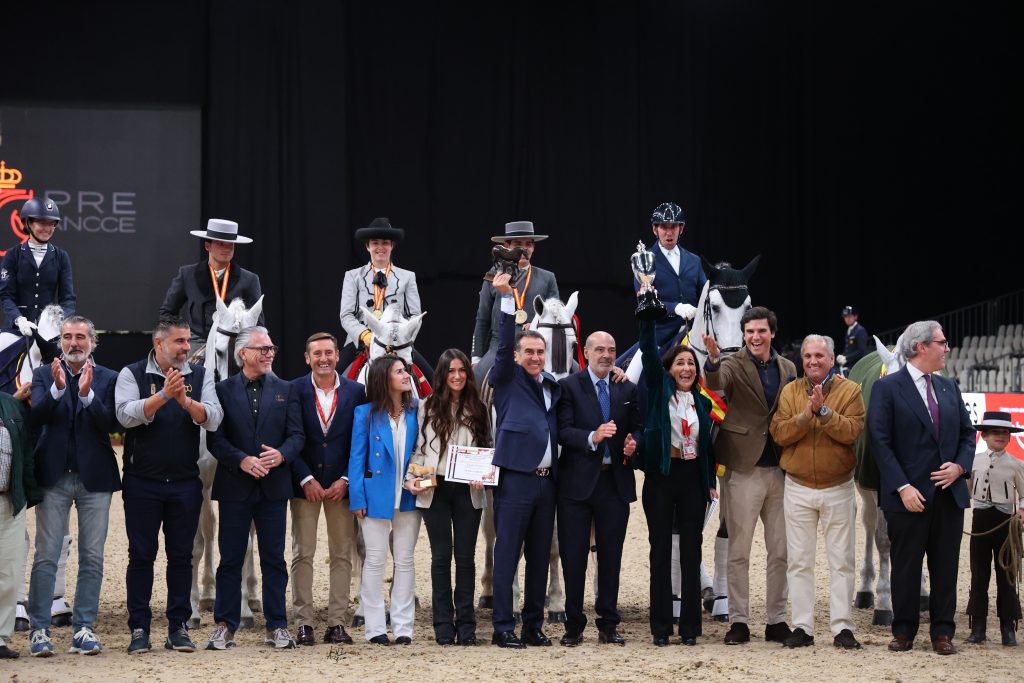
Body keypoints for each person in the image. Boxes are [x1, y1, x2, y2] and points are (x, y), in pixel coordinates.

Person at [114, 315, 223, 654]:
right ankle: (139, 628)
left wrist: (186, 402)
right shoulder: (132, 373)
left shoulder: (201, 375)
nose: (187, 348)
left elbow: (214, 418)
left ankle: (178, 627)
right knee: (141, 556)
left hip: (185, 483)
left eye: (188, 341)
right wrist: (164, 395)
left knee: (181, 556)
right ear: (158, 343)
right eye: (179, 341)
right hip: (142, 482)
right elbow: (124, 415)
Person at [867, 320, 975, 655]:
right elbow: (880, 442)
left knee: (946, 568)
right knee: (905, 567)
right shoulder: (887, 388)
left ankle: (942, 632)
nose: (947, 348)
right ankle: (903, 631)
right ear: (921, 347)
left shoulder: (949, 386)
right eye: (942, 342)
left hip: (948, 496)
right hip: (908, 498)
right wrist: (902, 486)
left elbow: (968, 435)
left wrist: (959, 467)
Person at [205, 326, 303, 651]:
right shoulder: (222, 390)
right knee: (230, 559)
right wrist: (242, 460)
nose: (269, 353)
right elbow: (216, 440)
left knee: (274, 559)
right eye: (263, 348)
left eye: (271, 348)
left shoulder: (286, 389)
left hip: (274, 487)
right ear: (243, 353)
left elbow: (297, 436)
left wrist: (282, 455)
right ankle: (225, 625)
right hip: (235, 486)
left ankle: (277, 626)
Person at [703, 306, 796, 645]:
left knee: (780, 552)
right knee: (739, 551)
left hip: (780, 469)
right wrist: (713, 361)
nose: (755, 337)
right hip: (743, 468)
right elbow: (715, 382)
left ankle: (776, 620)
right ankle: (739, 621)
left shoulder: (788, 368)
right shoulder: (731, 364)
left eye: (761, 331)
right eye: (750, 332)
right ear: (743, 335)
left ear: (772, 333)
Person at [27, 316, 119, 657]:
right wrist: (57, 390)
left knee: (92, 556)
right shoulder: (43, 374)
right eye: (67, 336)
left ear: (93, 342)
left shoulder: (109, 377)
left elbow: (113, 424)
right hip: (53, 477)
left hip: (95, 478)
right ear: (60, 342)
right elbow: (36, 419)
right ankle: (39, 630)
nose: (73, 343)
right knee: (46, 555)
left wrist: (86, 395)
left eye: (81, 337)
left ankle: (83, 628)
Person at [770, 334, 865, 650]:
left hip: (838, 487)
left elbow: (852, 432)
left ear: (832, 359)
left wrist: (823, 412)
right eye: (808, 356)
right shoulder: (789, 392)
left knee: (842, 561)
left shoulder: (851, 391)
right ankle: (802, 626)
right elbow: (779, 433)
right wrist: (805, 416)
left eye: (819, 356)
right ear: (802, 359)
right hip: (797, 487)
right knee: (799, 561)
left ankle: (843, 627)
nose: (813, 361)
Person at [488, 272, 561, 649]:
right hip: (516, 478)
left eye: (539, 352)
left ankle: (533, 625)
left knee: (539, 556)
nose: (534, 357)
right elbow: (502, 347)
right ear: (517, 357)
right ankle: (503, 627)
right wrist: (505, 301)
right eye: (528, 352)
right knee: (507, 555)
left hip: (547, 481)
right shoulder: (506, 379)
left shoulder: (553, 386)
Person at [634, 312, 716, 646]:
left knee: (692, 552)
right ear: (668, 369)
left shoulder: (702, 403)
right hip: (662, 478)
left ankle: (690, 628)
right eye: (680, 363)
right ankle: (660, 627)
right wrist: (647, 319)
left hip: (692, 478)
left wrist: (710, 482)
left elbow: (707, 447)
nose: (686, 368)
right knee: (661, 551)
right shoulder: (659, 389)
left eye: (691, 364)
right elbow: (648, 351)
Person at [555, 331, 641, 647]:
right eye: (600, 349)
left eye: (612, 350)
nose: (606, 355)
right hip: (576, 484)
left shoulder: (626, 387)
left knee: (611, 557)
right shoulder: (569, 386)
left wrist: (634, 442)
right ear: (586, 352)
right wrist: (592, 436)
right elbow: (563, 431)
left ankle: (608, 623)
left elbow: (638, 427)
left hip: (614, 483)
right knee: (573, 557)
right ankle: (573, 625)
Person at [406, 349, 491, 646]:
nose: (457, 376)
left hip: (469, 490)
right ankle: (443, 624)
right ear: (442, 374)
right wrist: (412, 479)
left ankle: (467, 625)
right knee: (440, 557)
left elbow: (488, 448)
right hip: (435, 488)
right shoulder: (426, 406)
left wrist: (484, 474)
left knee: (465, 558)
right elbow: (418, 449)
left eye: (462, 370)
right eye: (451, 371)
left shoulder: (479, 408)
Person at [289, 332, 365, 647]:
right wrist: (305, 478)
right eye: (317, 353)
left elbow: (359, 440)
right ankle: (304, 623)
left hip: (340, 487)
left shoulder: (356, 391)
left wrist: (346, 479)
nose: (324, 358)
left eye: (329, 353)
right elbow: (290, 436)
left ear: (337, 355)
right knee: (302, 553)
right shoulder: (293, 390)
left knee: (342, 555)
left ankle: (336, 623)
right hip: (305, 485)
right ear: (307, 358)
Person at [348, 354, 420, 645]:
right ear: (383, 378)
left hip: (409, 492)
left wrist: (420, 479)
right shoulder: (364, 414)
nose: (406, 375)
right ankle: (375, 627)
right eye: (399, 371)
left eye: (406, 370)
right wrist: (357, 497)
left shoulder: (417, 410)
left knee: (405, 560)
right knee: (375, 560)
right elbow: (356, 458)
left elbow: (422, 451)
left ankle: (403, 627)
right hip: (375, 493)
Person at [338, 217, 430, 383]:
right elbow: (346, 315)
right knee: (333, 377)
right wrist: (364, 335)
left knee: (433, 379)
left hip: (397, 341)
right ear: (367, 246)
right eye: (375, 243)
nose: (380, 247)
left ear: (392, 245)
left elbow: (415, 316)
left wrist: (402, 337)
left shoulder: (408, 277)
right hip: (361, 342)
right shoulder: (352, 276)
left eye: (385, 243)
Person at [618, 202, 706, 364]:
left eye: (674, 227)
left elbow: (705, 295)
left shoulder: (694, 261)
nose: (669, 232)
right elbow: (644, 301)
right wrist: (676, 308)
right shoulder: (645, 261)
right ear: (655, 229)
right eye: (664, 227)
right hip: (660, 335)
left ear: (681, 229)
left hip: (694, 332)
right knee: (633, 374)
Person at [471, 221, 559, 384]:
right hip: (499, 347)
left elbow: (557, 317)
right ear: (507, 246)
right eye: (518, 244)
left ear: (534, 247)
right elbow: (482, 319)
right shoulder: (493, 277)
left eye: (528, 244)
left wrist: (536, 324)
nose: (524, 249)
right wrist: (476, 357)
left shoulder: (547, 278)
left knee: (573, 371)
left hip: (537, 346)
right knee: (477, 377)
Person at [965, 411, 1024, 646]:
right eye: (995, 432)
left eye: (1005, 432)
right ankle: (978, 627)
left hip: (1005, 523)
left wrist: (1021, 510)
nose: (1001, 436)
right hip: (980, 520)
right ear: (985, 435)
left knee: (1006, 575)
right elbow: (966, 490)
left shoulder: (1016, 465)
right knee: (979, 575)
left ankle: (1008, 628)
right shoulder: (973, 461)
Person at [159, 219, 263, 344]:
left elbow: (258, 321)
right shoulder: (187, 274)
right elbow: (167, 312)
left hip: (232, 344)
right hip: (197, 342)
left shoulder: (249, 279)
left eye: (230, 244)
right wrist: (182, 335)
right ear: (207, 246)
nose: (227, 249)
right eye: (220, 244)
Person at [0, 384, 42, 659]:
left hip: (9, 499)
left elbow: (26, 454)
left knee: (9, 571)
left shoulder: (10, 405)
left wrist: (27, 496)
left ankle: (0, 637)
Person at [0, 197, 76, 335]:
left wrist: (57, 321)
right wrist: (18, 319)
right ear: (28, 223)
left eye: (52, 224)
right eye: (42, 223)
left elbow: (68, 299)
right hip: (15, 328)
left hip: (49, 331)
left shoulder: (61, 256)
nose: (47, 228)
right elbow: (6, 296)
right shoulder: (13, 255)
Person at [837, 306, 869, 370]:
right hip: (850, 366)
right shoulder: (849, 330)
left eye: (849, 316)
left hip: (857, 366)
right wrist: (842, 356)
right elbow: (849, 348)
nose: (847, 319)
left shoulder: (860, 330)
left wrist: (846, 358)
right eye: (845, 317)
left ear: (855, 317)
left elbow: (862, 351)